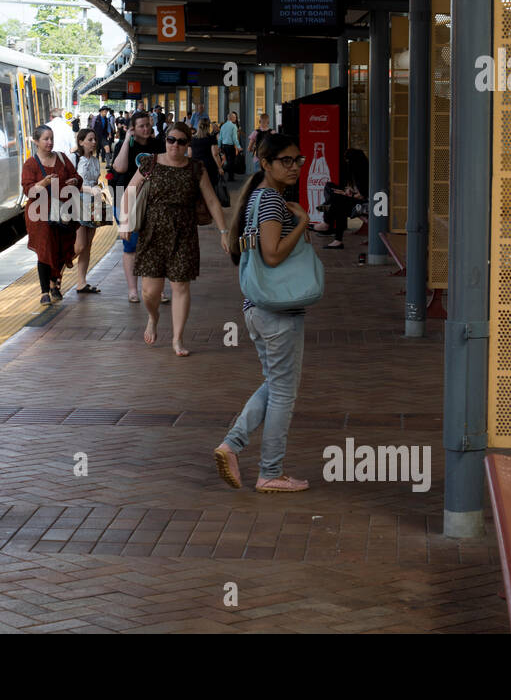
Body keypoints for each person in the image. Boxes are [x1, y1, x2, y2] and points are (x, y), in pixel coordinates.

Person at [214, 132, 312, 493]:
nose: (294, 167)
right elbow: (272, 255)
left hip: (259, 308)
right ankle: (270, 472)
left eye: (298, 160)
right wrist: (302, 224)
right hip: (277, 311)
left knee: (275, 384)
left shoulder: (257, 197)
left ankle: (232, 445)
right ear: (266, 163)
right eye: (285, 161)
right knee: (284, 393)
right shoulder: (271, 200)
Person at [120, 121, 231, 357]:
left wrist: (224, 232)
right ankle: (153, 317)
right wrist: (125, 221)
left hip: (184, 233)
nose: (175, 145)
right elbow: (130, 190)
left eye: (181, 142)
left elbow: (212, 201)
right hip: (152, 232)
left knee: (180, 286)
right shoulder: (150, 162)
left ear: (187, 144)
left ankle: (177, 338)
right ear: (165, 140)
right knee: (150, 292)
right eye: (171, 140)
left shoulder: (196, 168)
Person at [111, 110, 167, 303]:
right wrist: (127, 139)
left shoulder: (158, 144)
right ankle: (133, 290)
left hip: (153, 199)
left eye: (147, 125)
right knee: (131, 245)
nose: (145, 129)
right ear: (133, 129)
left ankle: (157, 290)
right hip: (126, 198)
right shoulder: (123, 145)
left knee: (156, 245)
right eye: (141, 126)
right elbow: (120, 168)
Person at [22, 125, 81, 304]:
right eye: (45, 139)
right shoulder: (30, 164)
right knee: (45, 249)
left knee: (62, 248)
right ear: (36, 141)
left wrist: (74, 180)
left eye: (51, 138)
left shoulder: (62, 158)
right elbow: (28, 190)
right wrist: (43, 183)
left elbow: (77, 177)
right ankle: (44, 292)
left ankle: (55, 284)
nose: (49, 142)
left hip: (63, 211)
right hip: (40, 215)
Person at [71, 128, 107, 295]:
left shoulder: (94, 160)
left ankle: (81, 282)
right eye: (90, 139)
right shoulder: (75, 158)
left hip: (94, 202)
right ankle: (56, 272)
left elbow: (96, 181)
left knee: (88, 246)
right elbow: (71, 183)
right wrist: (90, 189)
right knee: (80, 245)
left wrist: (99, 190)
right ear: (81, 142)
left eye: (95, 139)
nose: (94, 142)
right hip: (79, 202)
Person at [312, 147, 369, 249]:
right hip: (354, 199)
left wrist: (348, 195)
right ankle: (328, 209)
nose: (346, 162)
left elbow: (363, 195)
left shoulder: (362, 173)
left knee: (337, 202)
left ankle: (327, 223)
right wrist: (347, 190)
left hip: (362, 204)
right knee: (329, 186)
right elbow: (356, 190)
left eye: (347, 160)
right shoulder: (356, 171)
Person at [191, 118, 226, 195]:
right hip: (209, 166)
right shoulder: (211, 138)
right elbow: (215, 154)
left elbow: (190, 155)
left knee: (197, 188)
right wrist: (220, 167)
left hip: (196, 166)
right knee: (211, 188)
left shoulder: (192, 138)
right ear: (208, 127)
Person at [218, 111, 242, 182]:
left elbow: (220, 138)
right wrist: (239, 147)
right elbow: (235, 138)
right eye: (235, 117)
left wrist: (219, 146)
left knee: (228, 161)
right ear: (231, 118)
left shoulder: (223, 126)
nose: (236, 118)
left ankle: (229, 177)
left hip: (224, 146)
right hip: (230, 146)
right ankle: (226, 173)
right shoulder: (233, 126)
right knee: (231, 162)